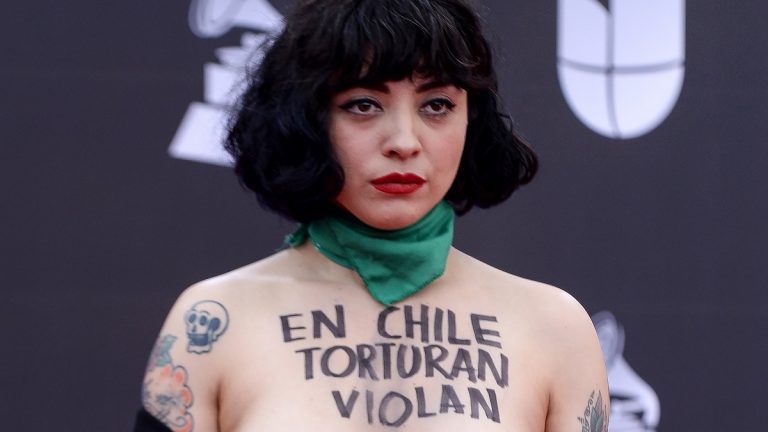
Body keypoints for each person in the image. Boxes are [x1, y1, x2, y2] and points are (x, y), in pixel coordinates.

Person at [135, 0, 609, 431]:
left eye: (437, 105)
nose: (403, 141)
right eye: (363, 105)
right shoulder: (213, 323)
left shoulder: (554, 327)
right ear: (307, 118)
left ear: (472, 119)